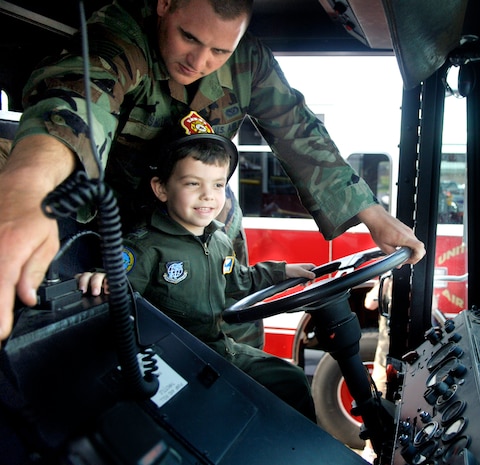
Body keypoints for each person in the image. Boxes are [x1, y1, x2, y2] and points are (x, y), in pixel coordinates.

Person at [0, 0, 425, 341]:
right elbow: (74, 102)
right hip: (126, 226)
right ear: (164, 5)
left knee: (236, 330)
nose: (199, 61)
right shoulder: (120, 36)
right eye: (189, 37)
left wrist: (375, 217)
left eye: (219, 51)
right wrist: (26, 192)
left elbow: (297, 130)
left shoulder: (248, 62)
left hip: (209, 226)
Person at [78, 110, 318, 420]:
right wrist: (101, 279)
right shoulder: (145, 247)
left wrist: (281, 272)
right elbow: (119, 297)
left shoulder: (217, 239)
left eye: (218, 185)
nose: (208, 196)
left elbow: (237, 281)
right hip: (177, 357)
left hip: (218, 347)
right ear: (161, 188)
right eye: (193, 183)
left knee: (292, 379)